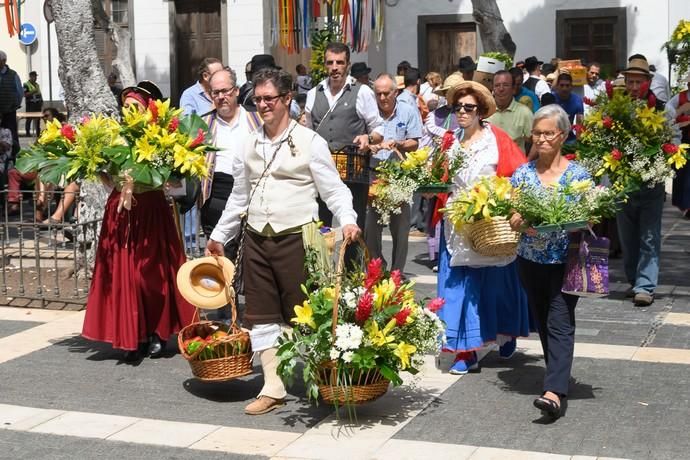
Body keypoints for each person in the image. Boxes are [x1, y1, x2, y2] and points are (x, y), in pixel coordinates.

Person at [206, 67, 361, 415]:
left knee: (304, 316)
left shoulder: (311, 142)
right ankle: (272, 387)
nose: (263, 105)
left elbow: (334, 190)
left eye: (269, 99)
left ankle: (321, 379)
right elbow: (239, 197)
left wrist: (347, 221)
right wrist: (219, 235)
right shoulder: (248, 143)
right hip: (257, 239)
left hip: (298, 239)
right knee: (261, 316)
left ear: (287, 99)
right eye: (258, 99)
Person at [81, 81, 195, 361]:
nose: (128, 112)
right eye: (126, 107)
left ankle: (157, 331)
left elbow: (175, 180)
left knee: (151, 276)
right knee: (124, 275)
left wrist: (167, 174)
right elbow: (107, 177)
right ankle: (133, 335)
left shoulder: (162, 138)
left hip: (152, 211)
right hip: (121, 212)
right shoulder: (113, 138)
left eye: (135, 107)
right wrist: (96, 167)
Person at [436, 80, 530, 375]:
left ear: (480, 112)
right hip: (456, 223)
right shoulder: (449, 141)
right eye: (458, 107)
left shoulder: (497, 139)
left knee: (497, 285)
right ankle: (465, 351)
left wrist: (508, 205)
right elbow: (439, 177)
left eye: (468, 107)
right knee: (457, 287)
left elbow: (519, 174)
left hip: (491, 222)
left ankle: (505, 330)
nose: (462, 112)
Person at [509, 104, 590, 419]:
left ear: (563, 135)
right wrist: (516, 220)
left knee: (560, 319)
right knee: (542, 319)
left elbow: (591, 216)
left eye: (548, 133)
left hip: (565, 260)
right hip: (529, 260)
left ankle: (554, 391)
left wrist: (578, 221)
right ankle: (557, 374)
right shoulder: (523, 174)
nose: (541, 139)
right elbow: (513, 213)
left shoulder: (577, 175)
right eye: (537, 133)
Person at [305, 42, 383, 237]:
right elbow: (307, 132)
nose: (334, 67)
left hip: (353, 171)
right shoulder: (313, 94)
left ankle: (353, 268)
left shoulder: (362, 91)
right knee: (318, 229)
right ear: (324, 65)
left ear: (347, 65)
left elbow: (379, 128)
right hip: (321, 172)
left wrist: (368, 137)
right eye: (330, 62)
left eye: (339, 62)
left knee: (354, 229)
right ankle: (321, 267)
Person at [616, 56, 667, 306]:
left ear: (648, 82)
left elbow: (672, 138)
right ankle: (634, 279)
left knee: (649, 236)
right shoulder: (617, 108)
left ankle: (645, 285)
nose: (634, 86)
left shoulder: (660, 108)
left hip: (650, 183)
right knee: (627, 237)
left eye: (639, 81)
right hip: (623, 184)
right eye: (630, 81)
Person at [200, 67, 262, 264]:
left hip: (253, 193)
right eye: (215, 93)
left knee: (250, 257)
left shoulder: (257, 119)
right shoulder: (203, 124)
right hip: (216, 193)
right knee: (220, 261)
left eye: (225, 91)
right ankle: (224, 295)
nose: (221, 97)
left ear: (235, 91)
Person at [366, 73, 422, 273]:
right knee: (371, 228)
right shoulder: (370, 112)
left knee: (400, 228)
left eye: (386, 93)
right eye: (378, 94)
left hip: (398, 176)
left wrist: (399, 144)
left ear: (395, 92)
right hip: (373, 175)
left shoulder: (407, 111)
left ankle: (396, 272)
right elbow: (362, 139)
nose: (382, 98)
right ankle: (377, 268)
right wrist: (370, 146)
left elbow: (415, 142)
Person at [487, 70, 533, 152]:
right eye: (497, 85)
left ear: (513, 89)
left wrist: (527, 161)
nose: (501, 89)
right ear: (493, 88)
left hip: (515, 163)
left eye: (506, 85)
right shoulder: (485, 111)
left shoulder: (524, 113)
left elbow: (535, 141)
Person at [666, 74, 690, 216]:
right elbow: (668, 111)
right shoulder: (679, 97)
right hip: (683, 139)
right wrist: (680, 114)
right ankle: (684, 205)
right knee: (682, 173)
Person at [0, 50, 23, 157]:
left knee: (12, 135)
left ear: (4, 61)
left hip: (9, 111)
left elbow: (19, 92)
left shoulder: (13, 74)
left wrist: (15, 104)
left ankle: (13, 157)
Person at [551, 73, 583, 143]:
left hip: (569, 139)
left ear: (572, 87)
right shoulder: (551, 99)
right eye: (562, 85)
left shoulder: (577, 100)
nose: (564, 88)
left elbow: (579, 124)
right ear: (557, 86)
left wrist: (579, 144)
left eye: (567, 85)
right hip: (552, 137)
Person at [23, 71, 43, 137]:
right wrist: (33, 91)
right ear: (31, 77)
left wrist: (42, 101)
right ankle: (27, 133)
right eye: (34, 76)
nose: (36, 78)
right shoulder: (26, 84)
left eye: (36, 76)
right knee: (29, 119)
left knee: (38, 120)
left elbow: (39, 94)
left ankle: (38, 133)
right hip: (30, 105)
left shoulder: (37, 85)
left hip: (37, 105)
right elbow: (25, 94)